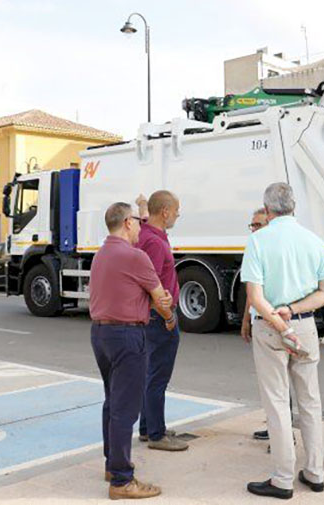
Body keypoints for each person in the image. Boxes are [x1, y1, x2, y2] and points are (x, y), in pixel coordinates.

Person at [241, 182, 324, 499]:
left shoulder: (258, 240)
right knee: (310, 401)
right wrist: (293, 312)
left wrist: (279, 323)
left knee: (278, 403)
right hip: (305, 325)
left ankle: (282, 478)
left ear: (267, 210)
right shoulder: (314, 241)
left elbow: (254, 296)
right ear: (294, 207)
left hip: (270, 329)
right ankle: (314, 472)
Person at [89, 202, 176, 500]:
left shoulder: (100, 254)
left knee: (112, 402)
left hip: (100, 333)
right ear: (127, 222)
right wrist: (169, 318)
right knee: (126, 409)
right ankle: (123, 481)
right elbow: (160, 299)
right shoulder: (135, 256)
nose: (141, 225)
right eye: (138, 221)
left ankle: (112, 466)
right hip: (127, 335)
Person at [135, 191, 188, 452]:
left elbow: (147, 215)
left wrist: (143, 204)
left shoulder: (147, 233)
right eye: (176, 209)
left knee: (150, 373)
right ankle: (157, 434)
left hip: (152, 316)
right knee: (157, 376)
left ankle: (148, 427)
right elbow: (151, 283)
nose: (178, 214)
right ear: (165, 212)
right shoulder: (155, 243)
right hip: (160, 316)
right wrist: (168, 317)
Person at [241, 208, 273, 442]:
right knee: (269, 385)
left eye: (258, 225)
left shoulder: (271, 249)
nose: (254, 229)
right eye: (252, 225)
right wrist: (245, 320)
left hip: (274, 322)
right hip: (259, 319)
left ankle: (282, 435)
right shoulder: (255, 247)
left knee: (278, 386)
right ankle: (274, 427)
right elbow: (251, 291)